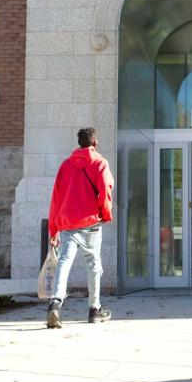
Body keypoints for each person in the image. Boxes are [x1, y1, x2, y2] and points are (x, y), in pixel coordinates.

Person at [46, 127, 115, 329]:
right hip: (91, 223)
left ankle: (55, 303)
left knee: (64, 262)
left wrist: (54, 229)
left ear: (79, 144)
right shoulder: (100, 163)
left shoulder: (66, 165)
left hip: (68, 224)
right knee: (93, 264)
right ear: (95, 143)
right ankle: (94, 309)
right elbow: (105, 192)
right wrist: (105, 214)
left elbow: (56, 198)